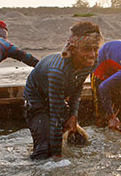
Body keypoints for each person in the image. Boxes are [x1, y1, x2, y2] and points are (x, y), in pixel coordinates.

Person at [23, 22, 102, 159]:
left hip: (57, 98)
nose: (92, 54)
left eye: (95, 49)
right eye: (87, 49)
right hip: (37, 100)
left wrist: (73, 116)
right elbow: (55, 115)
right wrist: (57, 158)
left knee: (80, 141)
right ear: (73, 49)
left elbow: (77, 89)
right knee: (43, 153)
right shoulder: (58, 71)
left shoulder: (90, 63)